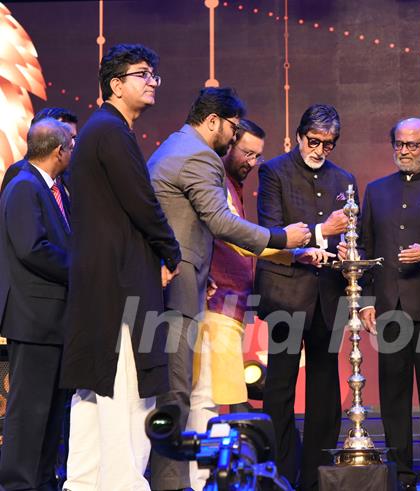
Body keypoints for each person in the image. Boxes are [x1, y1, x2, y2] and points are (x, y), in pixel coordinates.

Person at [146, 88, 310, 491]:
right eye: (234, 131)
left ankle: (186, 481)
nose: (235, 143)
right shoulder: (200, 155)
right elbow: (219, 223)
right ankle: (174, 484)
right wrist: (282, 237)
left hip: (189, 282)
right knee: (179, 393)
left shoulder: (174, 145)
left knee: (188, 392)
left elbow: (183, 226)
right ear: (214, 121)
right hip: (181, 288)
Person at [60, 44, 182, 491]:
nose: (152, 82)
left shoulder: (100, 129)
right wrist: (170, 251)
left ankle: (84, 483)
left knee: (94, 391)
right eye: (143, 74)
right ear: (116, 84)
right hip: (120, 282)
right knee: (125, 390)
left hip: (101, 281)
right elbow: (142, 203)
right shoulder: (112, 131)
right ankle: (123, 484)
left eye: (154, 74)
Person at [355, 117, 420, 490]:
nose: (404, 151)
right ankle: (401, 472)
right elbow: (365, 247)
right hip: (389, 307)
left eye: (412, 145)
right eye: (399, 144)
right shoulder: (377, 190)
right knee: (393, 396)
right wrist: (366, 301)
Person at [256, 104, 356, 491]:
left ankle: (316, 477)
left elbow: (350, 232)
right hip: (285, 290)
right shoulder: (274, 171)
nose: (319, 150)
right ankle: (278, 475)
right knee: (279, 387)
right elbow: (269, 231)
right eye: (313, 141)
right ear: (298, 136)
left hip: (327, 295)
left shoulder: (344, 178)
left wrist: (347, 248)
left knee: (325, 390)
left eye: (328, 144)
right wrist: (320, 232)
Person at [0, 118, 73, 491]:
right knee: (29, 413)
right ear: (59, 150)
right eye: (71, 145)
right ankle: (17, 485)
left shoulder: (53, 188)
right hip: (34, 319)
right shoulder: (24, 185)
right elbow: (32, 248)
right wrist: (83, 271)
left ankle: (43, 482)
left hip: (53, 321)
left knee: (50, 415)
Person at [1, 107, 78, 196]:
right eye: (67, 136)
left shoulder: (68, 173)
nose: (72, 143)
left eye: (73, 137)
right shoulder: (19, 173)